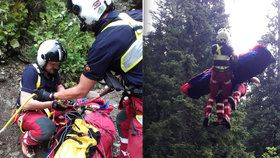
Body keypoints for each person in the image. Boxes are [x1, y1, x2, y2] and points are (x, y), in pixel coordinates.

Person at [37, 0, 143, 157]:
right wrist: (100, 94)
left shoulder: (103, 43)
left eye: (78, 15)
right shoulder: (133, 16)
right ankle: (123, 154)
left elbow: (81, 90)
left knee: (138, 147)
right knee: (122, 121)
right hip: (143, 86)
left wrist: (51, 96)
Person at [13, 39, 67, 158]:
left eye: (58, 63)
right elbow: (25, 103)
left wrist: (63, 95)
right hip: (26, 111)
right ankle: (27, 141)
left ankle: (49, 126)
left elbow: (59, 85)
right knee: (48, 128)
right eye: (53, 63)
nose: (56, 67)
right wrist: (52, 104)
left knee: (69, 111)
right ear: (43, 59)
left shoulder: (53, 72)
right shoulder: (31, 72)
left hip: (44, 108)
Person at [203, 28, 237, 129]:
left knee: (212, 95)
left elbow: (212, 56)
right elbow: (235, 57)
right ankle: (226, 116)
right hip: (225, 75)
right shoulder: (230, 48)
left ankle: (207, 115)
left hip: (215, 75)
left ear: (219, 37)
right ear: (227, 39)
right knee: (226, 97)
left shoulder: (214, 47)